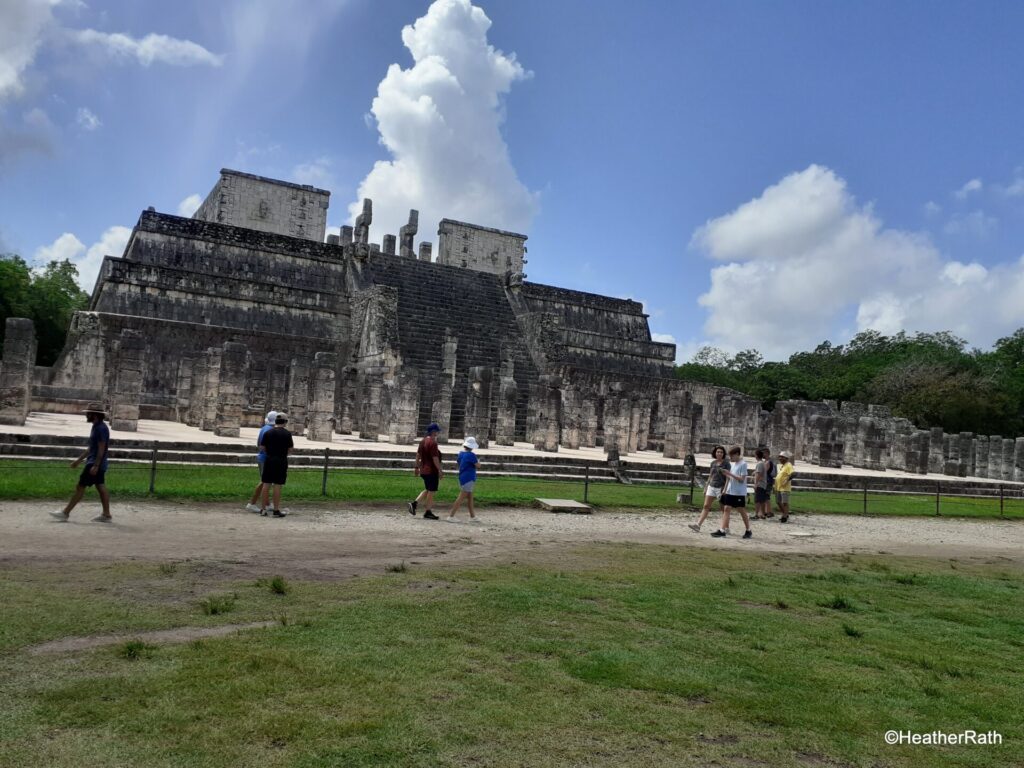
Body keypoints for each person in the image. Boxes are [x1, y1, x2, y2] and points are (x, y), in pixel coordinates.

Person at [50, 403, 113, 523]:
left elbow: (101, 448)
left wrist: (96, 465)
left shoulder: (101, 429)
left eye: (88, 413)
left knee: (81, 486)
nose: (86, 415)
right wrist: (79, 460)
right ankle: (106, 514)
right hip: (95, 462)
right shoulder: (96, 426)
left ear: (94, 415)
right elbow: (91, 448)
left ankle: (65, 513)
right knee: (100, 486)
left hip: (95, 463)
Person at [711, 445, 752, 539]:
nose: (730, 458)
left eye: (732, 456)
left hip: (739, 492)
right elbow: (730, 478)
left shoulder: (743, 464)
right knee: (726, 509)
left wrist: (729, 474)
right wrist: (725, 488)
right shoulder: (733, 464)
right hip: (730, 491)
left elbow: (741, 479)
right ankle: (722, 530)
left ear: (737, 454)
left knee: (741, 511)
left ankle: (748, 530)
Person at [259, 413, 293, 518]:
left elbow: (262, 447)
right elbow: (290, 450)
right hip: (281, 460)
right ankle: (276, 509)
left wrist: (270, 452)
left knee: (266, 484)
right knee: (278, 485)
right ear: (285, 422)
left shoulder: (268, 433)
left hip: (269, 459)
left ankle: (263, 509)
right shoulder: (287, 434)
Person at [688, 445, 728, 533]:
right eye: (718, 452)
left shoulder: (726, 463)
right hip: (712, 486)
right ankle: (698, 525)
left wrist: (724, 489)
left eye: (721, 452)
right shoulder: (713, 463)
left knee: (723, 509)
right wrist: (706, 487)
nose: (719, 453)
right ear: (715, 453)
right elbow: (711, 476)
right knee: (706, 506)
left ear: (723, 454)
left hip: (720, 487)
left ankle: (726, 527)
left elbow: (728, 477)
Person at [409, 422, 443, 520]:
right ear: (434, 432)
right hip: (431, 470)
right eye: (437, 432)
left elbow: (418, 455)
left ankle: (414, 504)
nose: (437, 433)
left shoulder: (422, 441)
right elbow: (435, 458)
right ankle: (428, 511)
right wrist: (440, 470)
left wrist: (416, 467)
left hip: (423, 470)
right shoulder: (432, 443)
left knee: (428, 489)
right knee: (431, 491)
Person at [245, 410, 277, 513]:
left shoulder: (264, 428)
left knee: (266, 482)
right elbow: (267, 447)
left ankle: (267, 504)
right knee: (264, 482)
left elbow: (259, 443)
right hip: (266, 458)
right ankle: (252, 503)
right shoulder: (270, 431)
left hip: (262, 457)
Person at [447, 436, 481, 522]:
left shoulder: (461, 454)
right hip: (469, 478)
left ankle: (472, 516)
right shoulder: (471, 455)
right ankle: (451, 516)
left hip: (462, 477)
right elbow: (478, 466)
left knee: (470, 497)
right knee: (461, 497)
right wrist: (479, 462)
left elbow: (459, 462)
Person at [774, 450, 795, 523]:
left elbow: (793, 474)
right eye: (779, 457)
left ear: (786, 458)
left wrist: (786, 480)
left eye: (782, 457)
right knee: (778, 501)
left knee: (784, 502)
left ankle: (785, 516)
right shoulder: (782, 466)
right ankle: (785, 514)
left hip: (784, 488)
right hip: (778, 487)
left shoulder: (788, 464)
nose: (780, 458)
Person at [753, 448, 770, 519]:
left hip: (760, 484)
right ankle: (762, 514)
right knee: (762, 500)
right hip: (763, 484)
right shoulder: (762, 463)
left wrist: (756, 484)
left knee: (757, 500)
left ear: (756, 456)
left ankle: (756, 514)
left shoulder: (760, 464)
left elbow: (759, 474)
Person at [762, 447, 777, 518]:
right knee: (765, 496)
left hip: (768, 481)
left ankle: (769, 511)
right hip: (767, 480)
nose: (762, 454)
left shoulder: (768, 462)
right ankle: (766, 511)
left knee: (766, 497)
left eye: (763, 453)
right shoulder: (766, 461)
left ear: (767, 453)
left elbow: (764, 471)